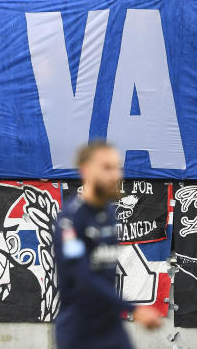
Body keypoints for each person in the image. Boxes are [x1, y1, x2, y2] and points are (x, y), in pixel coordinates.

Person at [54, 141, 163, 349]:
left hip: (112, 329)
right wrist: (134, 309)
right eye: (106, 168)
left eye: (117, 167)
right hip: (80, 333)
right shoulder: (70, 220)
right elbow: (82, 278)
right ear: (85, 170)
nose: (115, 175)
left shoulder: (109, 215)